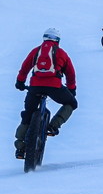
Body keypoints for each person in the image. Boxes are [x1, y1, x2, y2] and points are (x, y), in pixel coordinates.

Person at [13, 27, 77, 159]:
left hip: (35, 86)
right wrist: (71, 89)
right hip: (54, 87)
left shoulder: (36, 51)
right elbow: (70, 73)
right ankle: (53, 126)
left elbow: (24, 67)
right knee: (71, 103)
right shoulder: (61, 53)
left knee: (27, 115)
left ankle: (20, 147)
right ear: (57, 40)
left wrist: (20, 82)